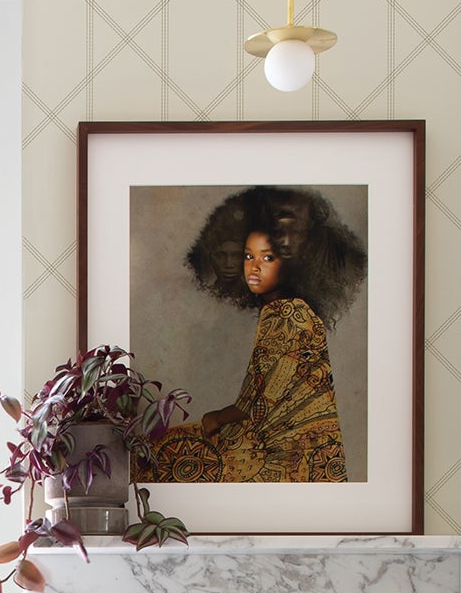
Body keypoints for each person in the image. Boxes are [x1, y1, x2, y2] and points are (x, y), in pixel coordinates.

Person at [152, 186, 367, 484]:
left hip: (288, 456)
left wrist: (216, 418)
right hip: (292, 451)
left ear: (291, 263)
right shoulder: (286, 310)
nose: (253, 266)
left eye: (267, 258)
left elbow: (258, 402)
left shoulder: (288, 313)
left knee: (158, 458)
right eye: (248, 255)